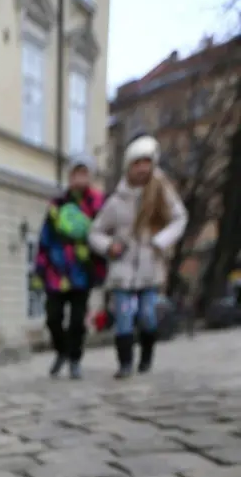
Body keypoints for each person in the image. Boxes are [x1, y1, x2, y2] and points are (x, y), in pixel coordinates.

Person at [89, 135, 188, 378]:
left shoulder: (162, 192)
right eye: (137, 162)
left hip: (149, 267)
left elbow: (180, 218)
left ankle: (146, 356)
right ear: (129, 166)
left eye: (147, 162)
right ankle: (125, 364)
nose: (142, 168)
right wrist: (109, 246)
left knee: (147, 315)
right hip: (122, 268)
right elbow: (95, 232)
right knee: (123, 316)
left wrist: (160, 241)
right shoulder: (116, 202)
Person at [34, 154, 106, 380]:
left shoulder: (97, 204)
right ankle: (61, 350)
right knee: (52, 318)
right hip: (56, 272)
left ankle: (75, 359)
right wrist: (39, 270)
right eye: (76, 173)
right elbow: (45, 238)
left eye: (84, 173)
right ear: (70, 176)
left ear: (90, 177)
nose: (79, 178)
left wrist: (99, 264)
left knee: (77, 321)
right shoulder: (57, 205)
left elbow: (105, 235)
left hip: (82, 272)